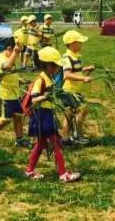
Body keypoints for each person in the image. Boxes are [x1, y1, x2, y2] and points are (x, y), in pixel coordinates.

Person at [25, 47, 80, 183]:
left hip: (47, 114)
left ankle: (29, 171)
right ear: (48, 65)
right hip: (42, 116)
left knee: (40, 145)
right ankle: (63, 174)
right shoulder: (41, 80)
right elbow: (34, 99)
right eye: (55, 65)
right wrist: (46, 96)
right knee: (57, 143)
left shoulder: (49, 78)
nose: (57, 68)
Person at [0, 38, 31, 149]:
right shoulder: (2, 59)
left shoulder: (10, 56)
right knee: (5, 118)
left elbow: (11, 73)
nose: (18, 56)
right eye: (15, 51)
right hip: (6, 95)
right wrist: (16, 52)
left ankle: (19, 139)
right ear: (10, 49)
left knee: (18, 116)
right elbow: (7, 66)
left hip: (15, 94)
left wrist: (20, 81)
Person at [60, 29, 94, 145]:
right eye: (79, 42)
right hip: (69, 91)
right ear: (72, 44)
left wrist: (85, 70)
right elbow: (67, 74)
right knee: (71, 114)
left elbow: (75, 71)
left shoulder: (75, 56)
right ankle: (70, 136)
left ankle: (73, 135)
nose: (81, 44)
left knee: (75, 112)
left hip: (75, 90)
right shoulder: (67, 58)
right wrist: (83, 78)